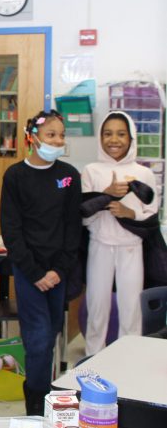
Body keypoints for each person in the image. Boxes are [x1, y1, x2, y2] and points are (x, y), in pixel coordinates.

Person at [0, 110, 81, 415]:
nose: (57, 140)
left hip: (57, 272)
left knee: (51, 336)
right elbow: (11, 229)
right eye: (51, 135)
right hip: (28, 272)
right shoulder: (15, 176)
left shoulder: (70, 175)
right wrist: (35, 273)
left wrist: (58, 270)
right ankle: (35, 403)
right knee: (37, 338)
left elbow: (73, 228)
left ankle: (45, 397)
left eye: (61, 135)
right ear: (32, 138)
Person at [82, 111, 158, 355]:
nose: (114, 140)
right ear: (100, 137)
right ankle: (93, 363)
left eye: (121, 134)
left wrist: (128, 212)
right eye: (107, 133)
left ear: (131, 138)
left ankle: (129, 363)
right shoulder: (91, 170)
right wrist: (106, 194)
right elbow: (83, 216)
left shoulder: (143, 173)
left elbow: (151, 214)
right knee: (97, 310)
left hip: (131, 248)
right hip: (99, 246)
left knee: (131, 311)